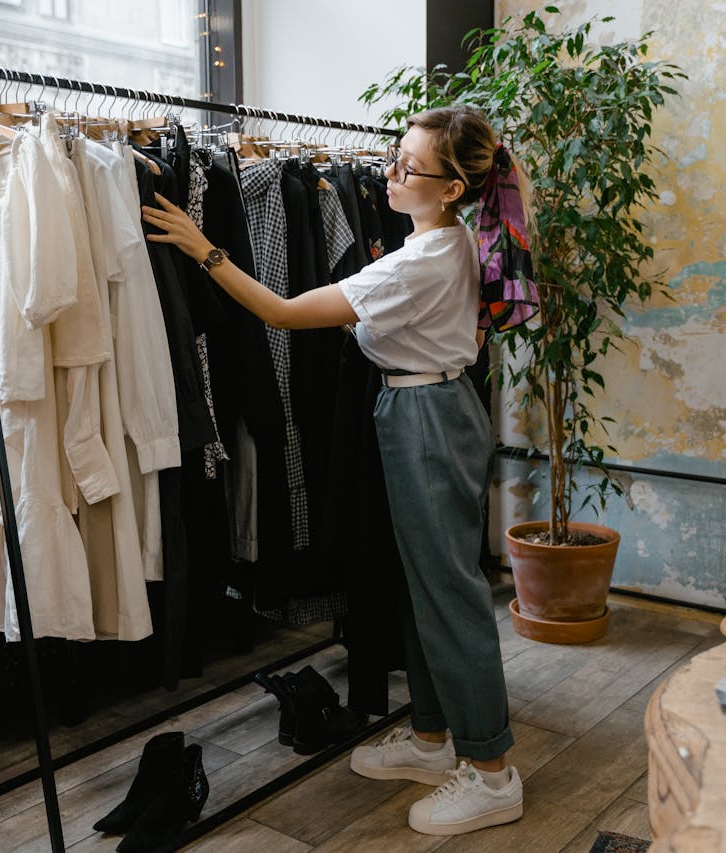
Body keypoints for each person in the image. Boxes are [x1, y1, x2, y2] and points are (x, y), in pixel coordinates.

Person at [142, 104, 529, 836]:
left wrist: (204, 248)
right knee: (423, 588)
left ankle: (491, 771)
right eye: (395, 156)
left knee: (449, 593)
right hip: (419, 410)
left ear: (451, 189)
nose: (391, 173)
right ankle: (431, 737)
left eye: (409, 167)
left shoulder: (426, 258)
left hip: (427, 419)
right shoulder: (433, 244)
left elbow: (283, 313)